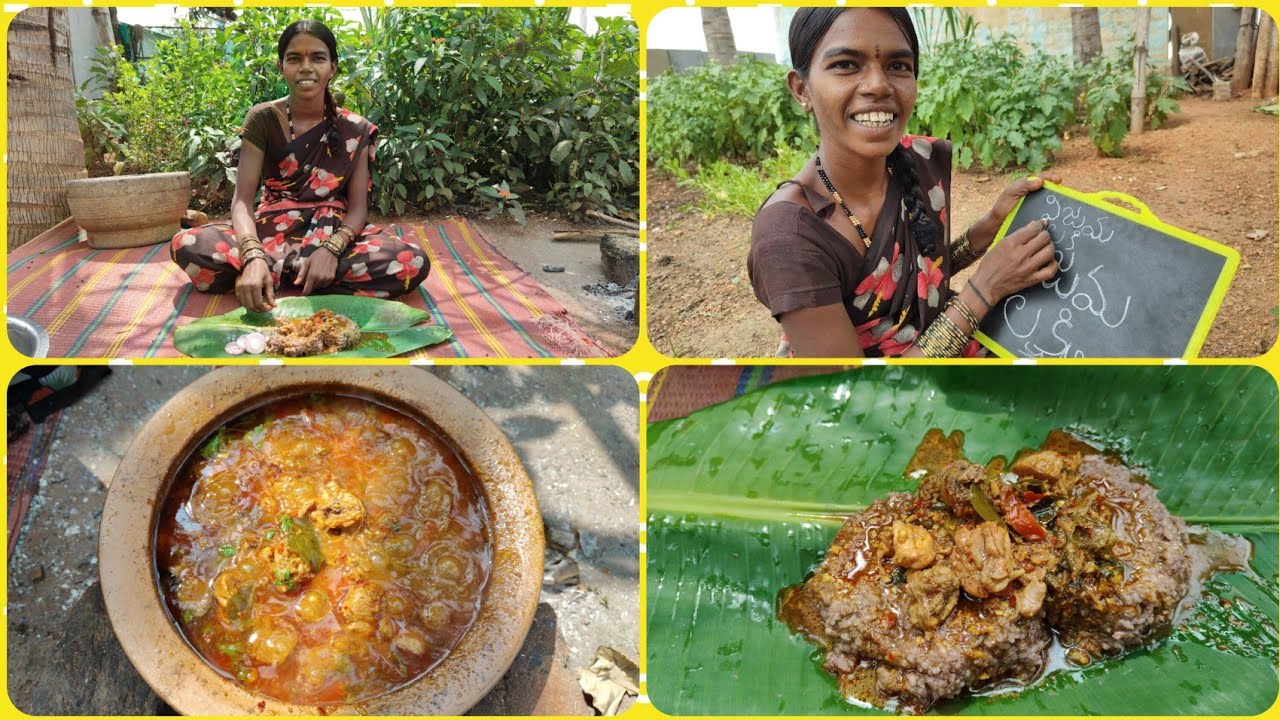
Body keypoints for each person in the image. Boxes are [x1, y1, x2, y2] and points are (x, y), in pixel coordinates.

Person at [748, 8, 1059, 357]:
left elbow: (915, 281)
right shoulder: (788, 235)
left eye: (898, 66)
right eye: (847, 64)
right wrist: (984, 289)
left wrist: (988, 229)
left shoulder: (909, 165)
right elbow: (858, 398)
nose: (879, 85)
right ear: (802, 89)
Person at [171, 20, 429, 312]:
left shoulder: (355, 128)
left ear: (333, 67)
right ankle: (291, 275)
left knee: (412, 261)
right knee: (187, 243)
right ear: (281, 66)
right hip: (269, 232)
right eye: (294, 58)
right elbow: (242, 201)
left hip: (333, 232)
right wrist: (252, 254)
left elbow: (358, 210)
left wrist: (331, 250)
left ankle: (279, 275)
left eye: (318, 58)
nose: (306, 67)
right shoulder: (263, 118)